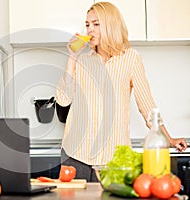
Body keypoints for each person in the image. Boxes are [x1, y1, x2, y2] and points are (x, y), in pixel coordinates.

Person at [56, 1, 187, 182]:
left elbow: (146, 104)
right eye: (87, 25)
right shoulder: (82, 60)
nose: (89, 30)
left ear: (110, 25)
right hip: (76, 154)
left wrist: (169, 138)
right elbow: (63, 100)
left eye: (96, 24)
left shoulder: (131, 58)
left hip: (114, 158)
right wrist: (71, 57)